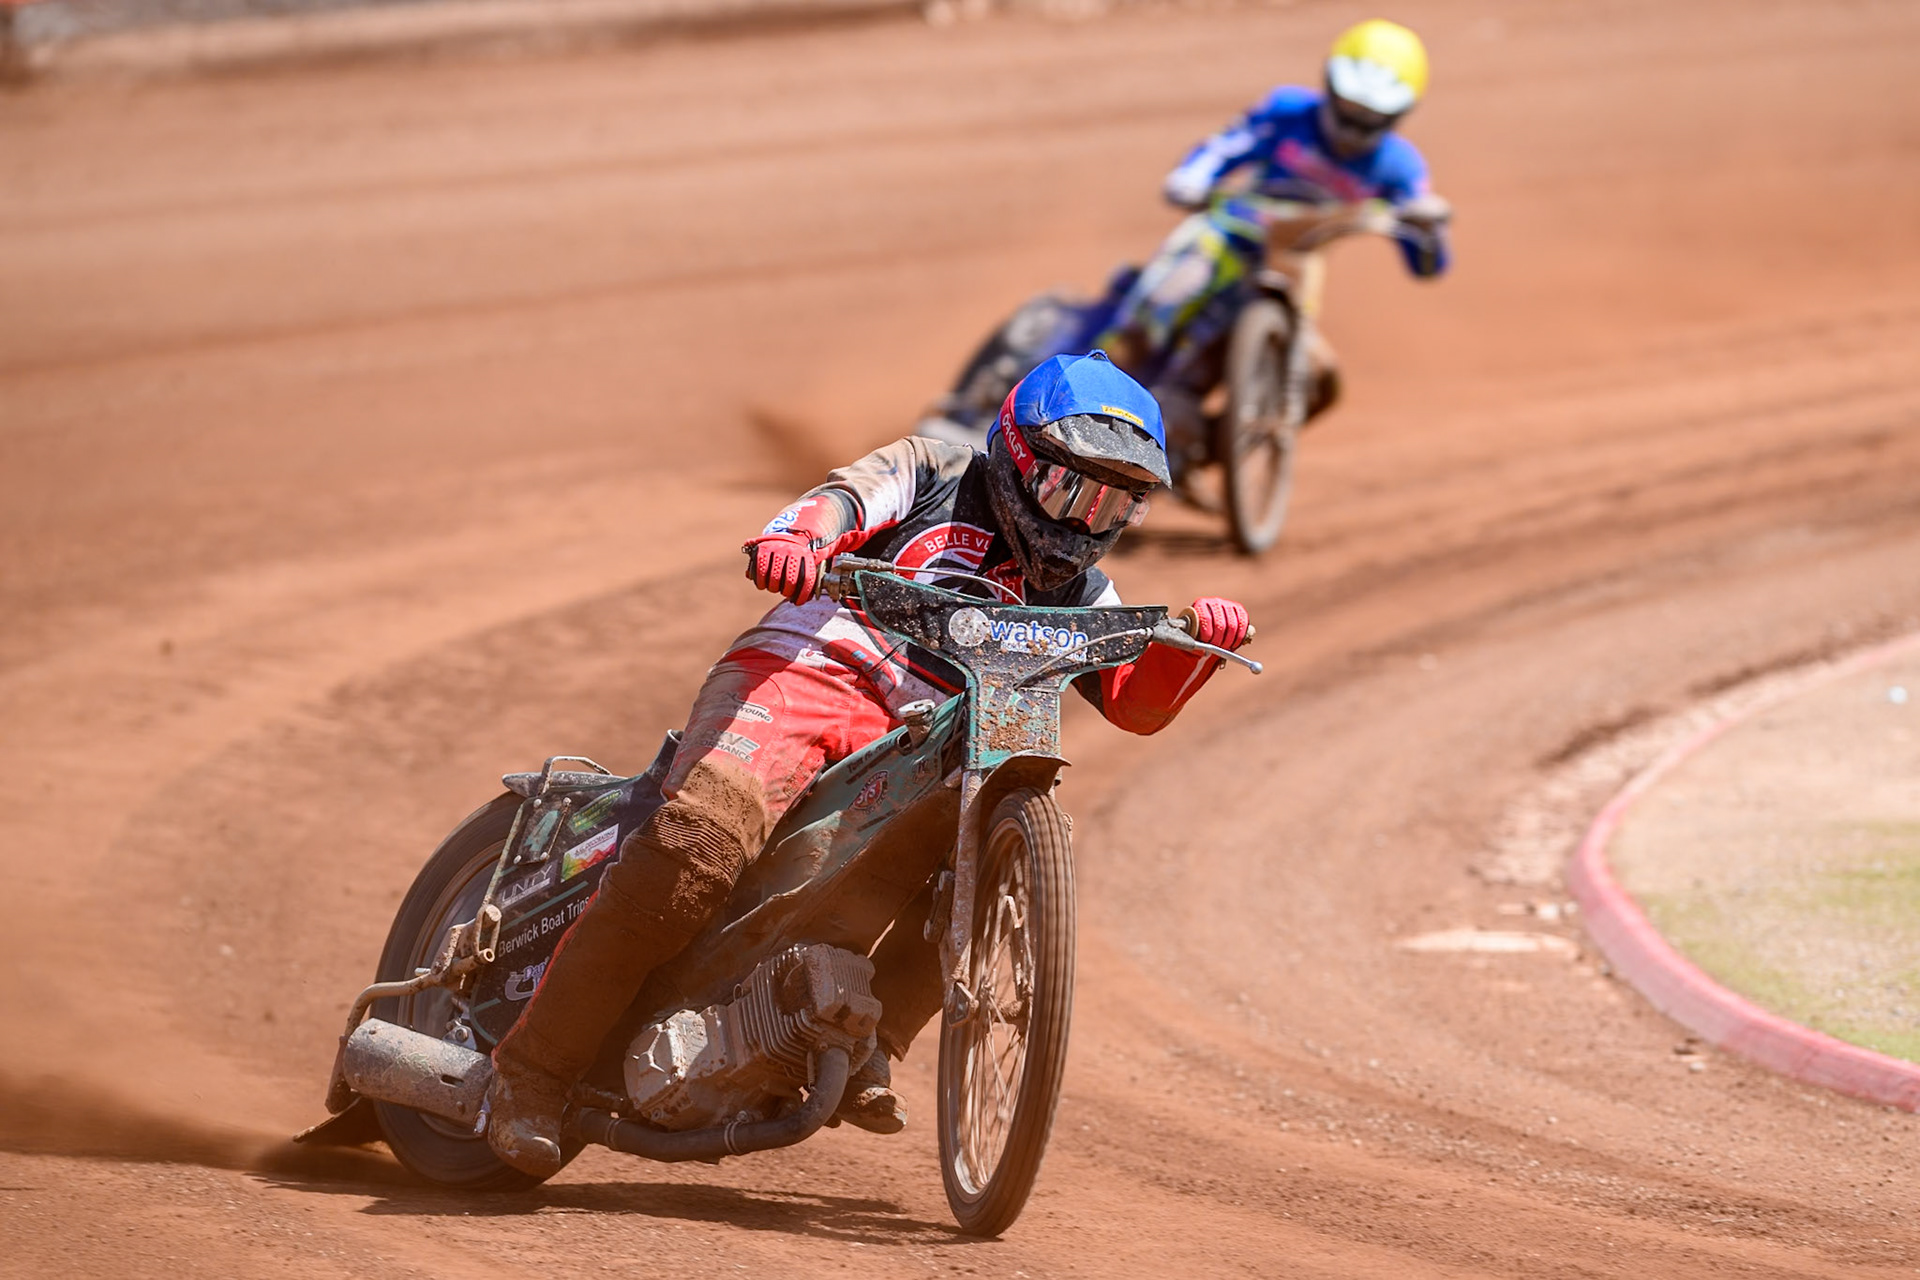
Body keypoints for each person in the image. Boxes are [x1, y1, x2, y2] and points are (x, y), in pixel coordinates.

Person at [484, 352, 1254, 1177]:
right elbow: (841, 502)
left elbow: (1135, 704)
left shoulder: (1081, 591)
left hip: (926, 743)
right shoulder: (931, 470)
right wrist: (797, 540)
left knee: (986, 866)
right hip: (812, 671)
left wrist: (1200, 645)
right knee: (694, 852)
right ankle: (531, 1077)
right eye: (1075, 490)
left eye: (1117, 502)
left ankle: (869, 1044)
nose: (1089, 520)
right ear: (1021, 456)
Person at [1097, 18, 1452, 450]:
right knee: (1162, 301)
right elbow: (1227, 145)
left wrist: (1427, 229)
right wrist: (1191, 177)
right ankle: (1081, 396)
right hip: (1226, 235)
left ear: (1398, 114)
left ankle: (1209, 451)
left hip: (1296, 266)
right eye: (1347, 107)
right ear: (1329, 86)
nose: (1353, 126)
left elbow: (1426, 262)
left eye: (1371, 117)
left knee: (1319, 381)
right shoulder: (1289, 111)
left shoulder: (1400, 166)